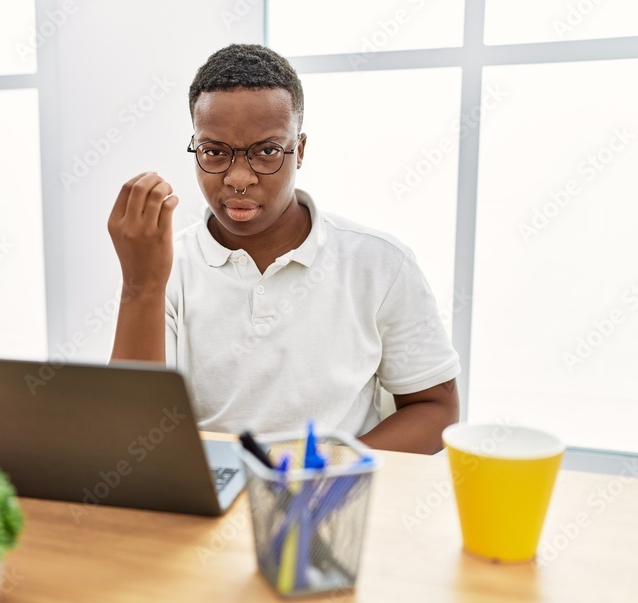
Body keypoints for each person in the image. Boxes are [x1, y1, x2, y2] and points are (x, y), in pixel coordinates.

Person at [107, 44, 459, 454]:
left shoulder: (379, 263)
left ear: (300, 151)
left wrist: (319, 472)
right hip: (208, 500)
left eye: (267, 151)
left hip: (330, 495)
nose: (239, 178)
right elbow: (130, 436)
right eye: (215, 152)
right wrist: (140, 285)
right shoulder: (168, 267)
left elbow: (435, 408)